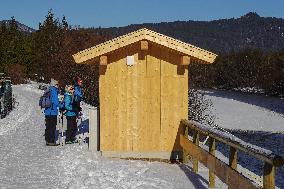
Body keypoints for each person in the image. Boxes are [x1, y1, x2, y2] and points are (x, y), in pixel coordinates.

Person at [44, 79, 59, 146]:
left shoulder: (48, 90)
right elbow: (56, 102)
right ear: (55, 85)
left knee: (48, 126)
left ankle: (47, 140)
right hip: (52, 112)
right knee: (52, 127)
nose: (58, 85)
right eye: (57, 84)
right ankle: (51, 141)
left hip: (47, 112)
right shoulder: (54, 91)